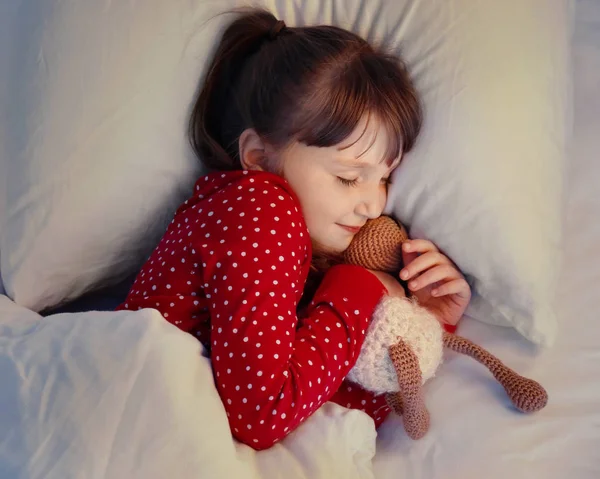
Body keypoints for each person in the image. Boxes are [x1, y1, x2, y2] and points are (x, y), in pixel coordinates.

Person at [116, 8, 471, 450]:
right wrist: (359, 286)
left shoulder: (291, 244)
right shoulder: (261, 206)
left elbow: (315, 410)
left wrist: (430, 323)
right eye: (347, 177)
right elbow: (261, 418)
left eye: (385, 178)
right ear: (260, 157)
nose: (374, 204)